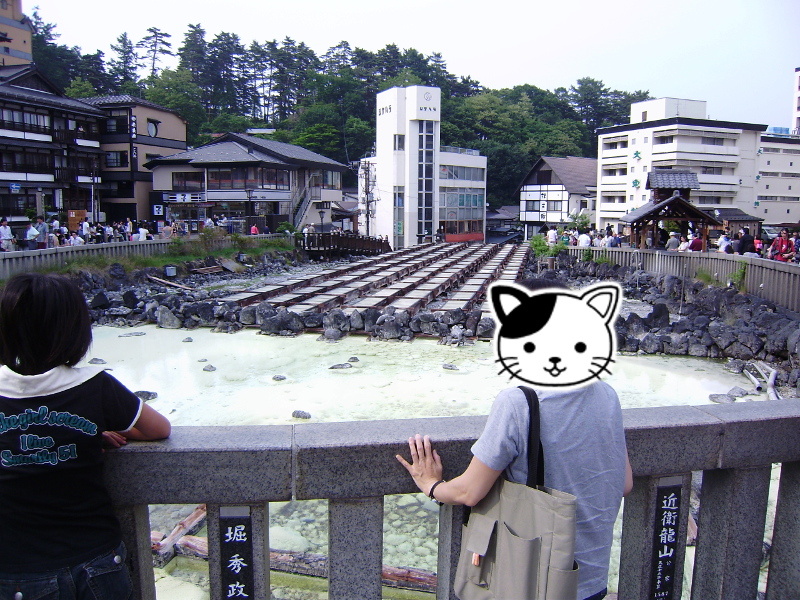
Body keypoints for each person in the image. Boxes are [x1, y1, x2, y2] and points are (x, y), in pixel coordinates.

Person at [397, 279, 632, 600]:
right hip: (591, 580)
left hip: (536, 583)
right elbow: (624, 483)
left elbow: (469, 491)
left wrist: (432, 485)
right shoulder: (606, 393)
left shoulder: (519, 402)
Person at [0, 273, 171, 598]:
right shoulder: (93, 385)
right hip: (95, 560)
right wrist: (87, 430)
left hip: (16, 571)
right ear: (73, 331)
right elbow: (158, 429)